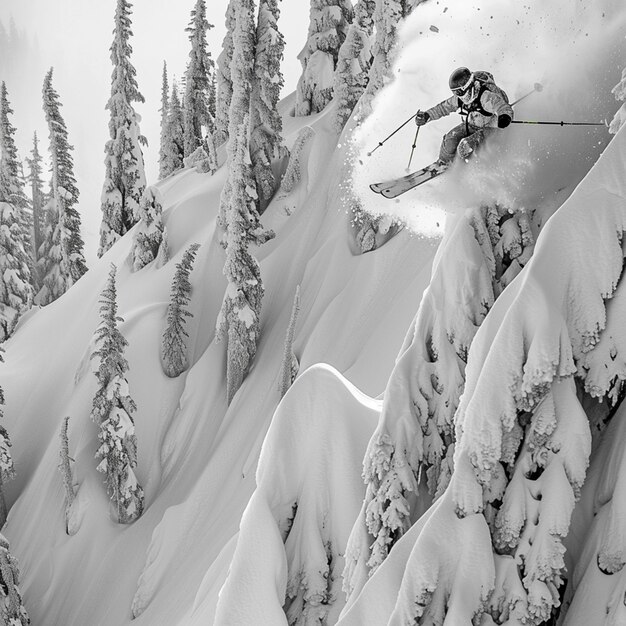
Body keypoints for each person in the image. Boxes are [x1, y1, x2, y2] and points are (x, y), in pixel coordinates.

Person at [414, 67, 513, 165]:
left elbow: (502, 107)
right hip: (472, 124)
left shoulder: (486, 97)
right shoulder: (460, 98)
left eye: (459, 92)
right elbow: (444, 108)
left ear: (467, 87)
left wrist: (504, 117)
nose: (457, 95)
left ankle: (465, 168)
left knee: (466, 146)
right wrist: (427, 115)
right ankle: (444, 163)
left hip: (490, 129)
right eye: (455, 92)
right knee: (450, 139)